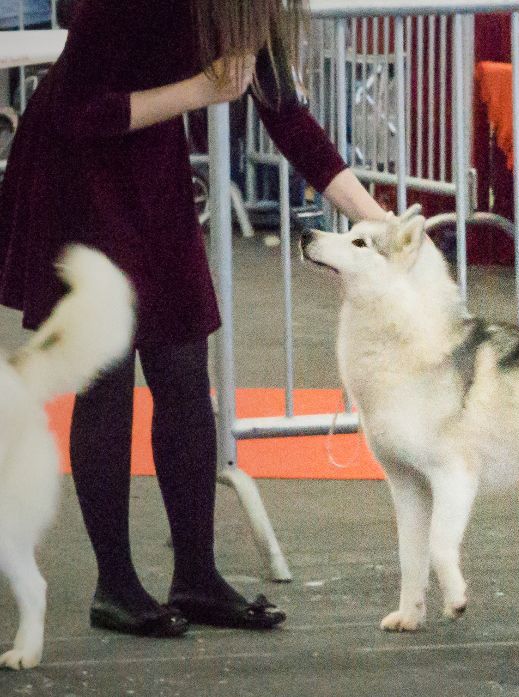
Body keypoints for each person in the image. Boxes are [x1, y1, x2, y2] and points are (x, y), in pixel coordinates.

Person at [0, 0, 388, 637]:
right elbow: (81, 112)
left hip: (151, 163)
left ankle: (197, 575)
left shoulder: (245, 7)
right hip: (77, 169)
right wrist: (200, 91)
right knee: (107, 374)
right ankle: (114, 585)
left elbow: (286, 116)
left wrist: (380, 222)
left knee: (183, 367)